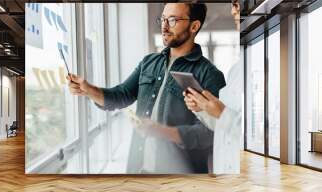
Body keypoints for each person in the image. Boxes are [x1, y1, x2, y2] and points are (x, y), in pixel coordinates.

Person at [67, 3, 226, 173]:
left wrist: (162, 131)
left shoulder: (210, 74)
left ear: (194, 26)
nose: (164, 26)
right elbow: (121, 95)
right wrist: (87, 89)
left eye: (172, 20)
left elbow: (212, 132)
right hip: (139, 170)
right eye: (163, 19)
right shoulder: (149, 62)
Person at [183, 0, 242, 174]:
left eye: (237, 5)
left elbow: (259, 135)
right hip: (224, 167)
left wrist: (221, 113)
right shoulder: (236, 70)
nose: (233, 11)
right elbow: (220, 122)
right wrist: (201, 109)